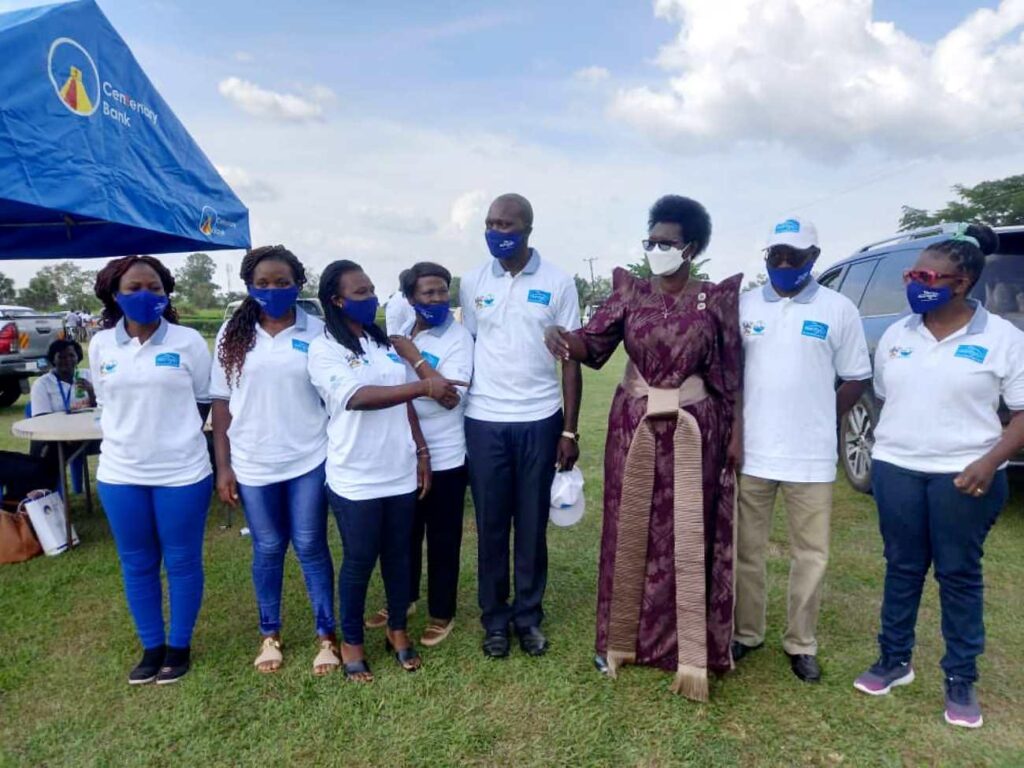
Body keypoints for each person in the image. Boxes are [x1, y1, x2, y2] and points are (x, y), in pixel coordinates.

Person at [545, 195, 741, 701]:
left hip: (696, 426)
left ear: (690, 247)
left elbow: (730, 375)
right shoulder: (629, 295)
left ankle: (689, 649)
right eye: (650, 241)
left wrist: (736, 433)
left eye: (667, 242)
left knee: (688, 528)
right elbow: (594, 345)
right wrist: (564, 339)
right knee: (630, 524)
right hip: (633, 427)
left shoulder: (713, 299)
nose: (656, 249)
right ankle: (622, 641)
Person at [853, 223, 1024, 729]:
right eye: (911, 273)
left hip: (964, 477)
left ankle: (960, 678)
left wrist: (990, 462)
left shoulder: (1001, 337)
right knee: (902, 567)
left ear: (962, 281)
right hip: (897, 470)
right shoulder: (896, 334)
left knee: (958, 573)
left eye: (926, 275)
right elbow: (886, 396)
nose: (914, 283)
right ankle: (893, 660)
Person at [307, 259, 465, 683]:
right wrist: (423, 384)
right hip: (355, 476)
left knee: (398, 557)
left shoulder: (382, 343)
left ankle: (397, 631)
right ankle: (352, 643)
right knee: (359, 561)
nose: (371, 299)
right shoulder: (324, 349)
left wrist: (421, 451)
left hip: (399, 470)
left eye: (372, 290)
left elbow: (405, 404)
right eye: (360, 293)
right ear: (336, 301)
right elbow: (356, 397)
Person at [732, 217, 871, 683]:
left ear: (814, 258)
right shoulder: (744, 305)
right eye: (777, 256)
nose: (785, 264)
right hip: (752, 453)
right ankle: (747, 633)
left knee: (810, 554)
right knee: (745, 550)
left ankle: (801, 643)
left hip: (810, 456)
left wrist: (823, 416)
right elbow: (729, 376)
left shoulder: (838, 309)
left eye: (795, 256)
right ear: (767, 258)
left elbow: (856, 376)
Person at [461, 193, 582, 659]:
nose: (497, 232)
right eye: (490, 223)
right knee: (492, 525)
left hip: (539, 419)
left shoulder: (557, 281)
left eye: (506, 225)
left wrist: (568, 431)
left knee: (531, 525)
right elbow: (468, 345)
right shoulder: (473, 282)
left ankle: (528, 617)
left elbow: (570, 361)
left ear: (528, 229)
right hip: (485, 420)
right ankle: (494, 620)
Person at [210, 245, 337, 676]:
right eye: (262, 283)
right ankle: (271, 634)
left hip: (308, 456)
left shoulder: (318, 330)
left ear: (298, 284)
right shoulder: (233, 333)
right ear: (249, 286)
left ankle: (327, 637)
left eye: (282, 282)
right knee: (267, 547)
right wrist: (224, 465)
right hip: (252, 460)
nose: (272, 290)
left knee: (309, 545)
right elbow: (222, 402)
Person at [89, 255, 213, 685]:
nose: (146, 296)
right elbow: (105, 402)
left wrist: (172, 437)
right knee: (137, 562)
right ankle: (151, 646)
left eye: (155, 288)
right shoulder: (101, 344)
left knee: (181, 560)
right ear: (115, 294)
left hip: (182, 472)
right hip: (121, 473)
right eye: (134, 289)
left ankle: (178, 646)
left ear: (166, 293)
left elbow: (203, 400)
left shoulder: (189, 341)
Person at [366, 262, 474, 647]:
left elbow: (450, 397)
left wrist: (414, 357)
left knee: (442, 537)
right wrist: (411, 356)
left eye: (443, 291)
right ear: (411, 298)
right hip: (399, 452)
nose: (438, 299)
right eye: (428, 293)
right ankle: (404, 599)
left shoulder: (457, 338)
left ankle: (441, 613)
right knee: (401, 535)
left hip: (444, 454)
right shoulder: (397, 333)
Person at [30, 338, 96, 416]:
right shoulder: (42, 384)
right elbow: (41, 418)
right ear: (53, 359)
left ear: (78, 357)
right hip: (56, 427)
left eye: (71, 355)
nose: (67, 360)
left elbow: (103, 409)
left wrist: (91, 392)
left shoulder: (89, 375)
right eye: (61, 357)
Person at [384, 270, 416, 335]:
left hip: (393, 339)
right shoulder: (407, 299)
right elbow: (413, 321)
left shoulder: (393, 299)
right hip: (402, 341)